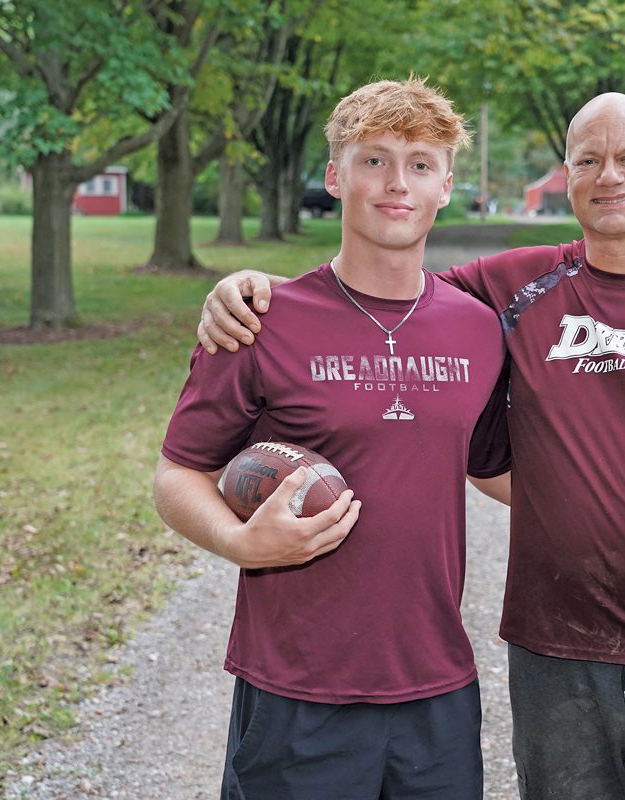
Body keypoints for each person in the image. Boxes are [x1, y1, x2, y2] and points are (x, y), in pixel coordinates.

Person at [196, 92, 625, 800]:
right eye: (588, 160)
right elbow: (380, 294)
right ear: (569, 175)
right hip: (555, 659)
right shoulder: (514, 288)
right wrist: (255, 291)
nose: (610, 175)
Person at [154, 77, 510, 800]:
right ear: (334, 175)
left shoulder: (476, 330)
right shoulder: (261, 318)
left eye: (419, 164)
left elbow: (493, 468)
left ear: (446, 186)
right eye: (373, 160)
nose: (395, 183)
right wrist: (237, 542)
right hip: (296, 690)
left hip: (436, 687)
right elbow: (177, 474)